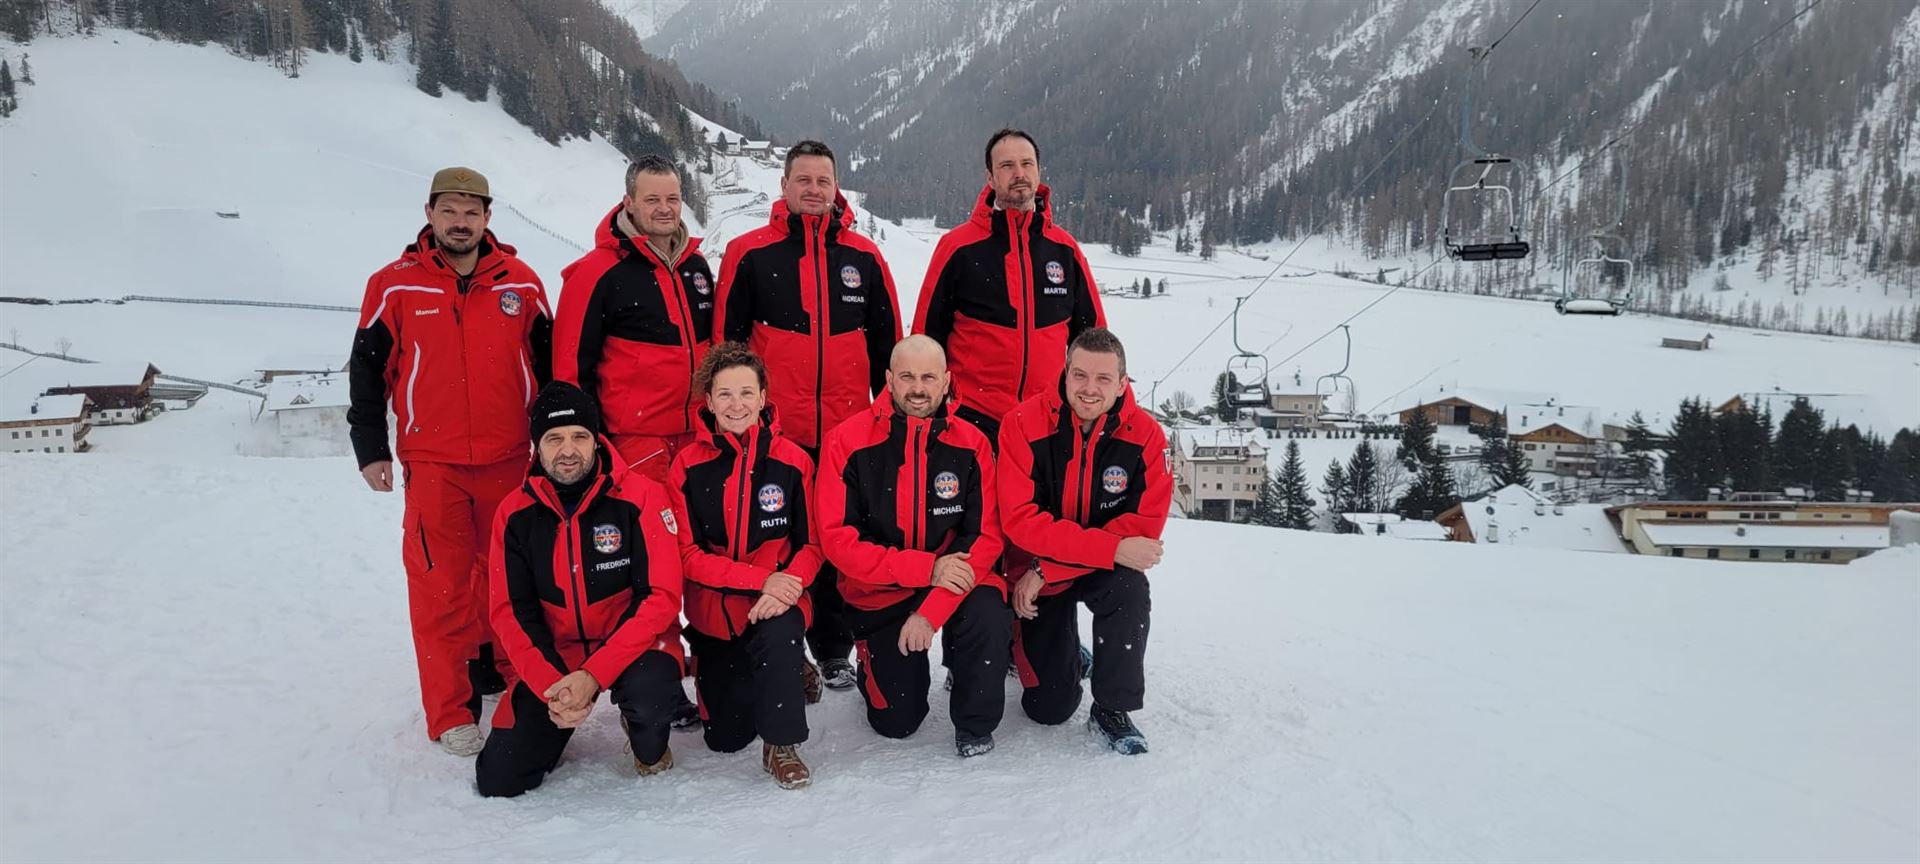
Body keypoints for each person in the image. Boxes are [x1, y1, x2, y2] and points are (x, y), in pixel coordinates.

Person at [348, 166, 552, 756]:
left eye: (471, 212)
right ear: (430, 214)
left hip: (511, 458)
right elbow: (367, 371)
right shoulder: (394, 285)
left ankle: (522, 685)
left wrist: (555, 443)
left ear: (487, 218)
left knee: (515, 581)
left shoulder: (522, 283)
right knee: (439, 588)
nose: (460, 222)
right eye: (449, 211)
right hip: (433, 463)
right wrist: (371, 448)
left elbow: (549, 369)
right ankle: (451, 712)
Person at [716, 139, 902, 692]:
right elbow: (727, 349)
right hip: (775, 435)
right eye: (804, 180)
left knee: (840, 538)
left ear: (836, 187)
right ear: (784, 186)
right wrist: (737, 422)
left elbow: (888, 347)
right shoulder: (750, 254)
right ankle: (785, 647)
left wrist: (887, 423)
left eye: (824, 180)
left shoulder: (864, 258)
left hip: (848, 432)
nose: (814, 190)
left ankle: (836, 648)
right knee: (779, 540)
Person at [475, 381, 687, 797]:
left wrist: (594, 674)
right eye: (554, 439)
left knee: (651, 699)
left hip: (634, 647)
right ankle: (558, 717)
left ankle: (643, 731)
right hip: (557, 654)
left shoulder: (642, 496)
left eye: (579, 436)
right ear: (537, 447)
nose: (568, 450)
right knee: (499, 779)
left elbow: (660, 597)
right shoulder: (513, 514)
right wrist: (555, 686)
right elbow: (510, 610)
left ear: (597, 439)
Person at [814, 335, 1009, 757]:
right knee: (896, 723)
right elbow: (838, 540)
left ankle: (974, 724)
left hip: (955, 581)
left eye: (928, 378)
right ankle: (873, 659)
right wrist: (925, 569)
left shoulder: (973, 443)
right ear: (888, 380)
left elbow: (985, 536)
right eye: (906, 377)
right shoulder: (845, 441)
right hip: (882, 589)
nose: (917, 388)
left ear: (946, 381)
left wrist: (931, 609)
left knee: (989, 611)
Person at [995, 328, 1170, 754]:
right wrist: (1098, 551)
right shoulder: (1021, 424)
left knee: (1130, 587)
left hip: (1066, 568)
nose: (1089, 389)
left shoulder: (1147, 436)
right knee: (1048, 709)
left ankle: (1111, 707)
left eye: (1103, 379)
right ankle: (1064, 653)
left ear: (1122, 384)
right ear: (1065, 372)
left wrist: (1051, 566)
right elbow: (1020, 521)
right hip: (1035, 570)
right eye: (1080, 375)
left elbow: (1143, 528)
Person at [665, 343, 820, 789]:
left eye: (747, 393)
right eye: (725, 394)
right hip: (717, 614)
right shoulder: (686, 467)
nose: (737, 405)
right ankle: (782, 670)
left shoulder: (793, 461)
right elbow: (688, 555)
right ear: (709, 401)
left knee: (778, 633)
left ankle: (782, 745)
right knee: (726, 739)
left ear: (764, 397)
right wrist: (760, 580)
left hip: (780, 602)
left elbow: (813, 544)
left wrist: (786, 585)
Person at [912, 128, 1106, 445]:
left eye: (1027, 164)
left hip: (1049, 421)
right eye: (1007, 166)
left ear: (1039, 172)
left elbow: (1094, 340)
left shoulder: (1064, 249)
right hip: (972, 420)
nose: (1019, 174)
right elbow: (924, 341)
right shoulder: (958, 247)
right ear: (990, 178)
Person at [554, 154, 715, 483]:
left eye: (672, 199)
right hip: (635, 440)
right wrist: (590, 439)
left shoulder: (695, 265)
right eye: (652, 200)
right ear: (629, 202)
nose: (664, 209)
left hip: (697, 434)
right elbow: (571, 368)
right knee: (645, 518)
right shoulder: (596, 272)